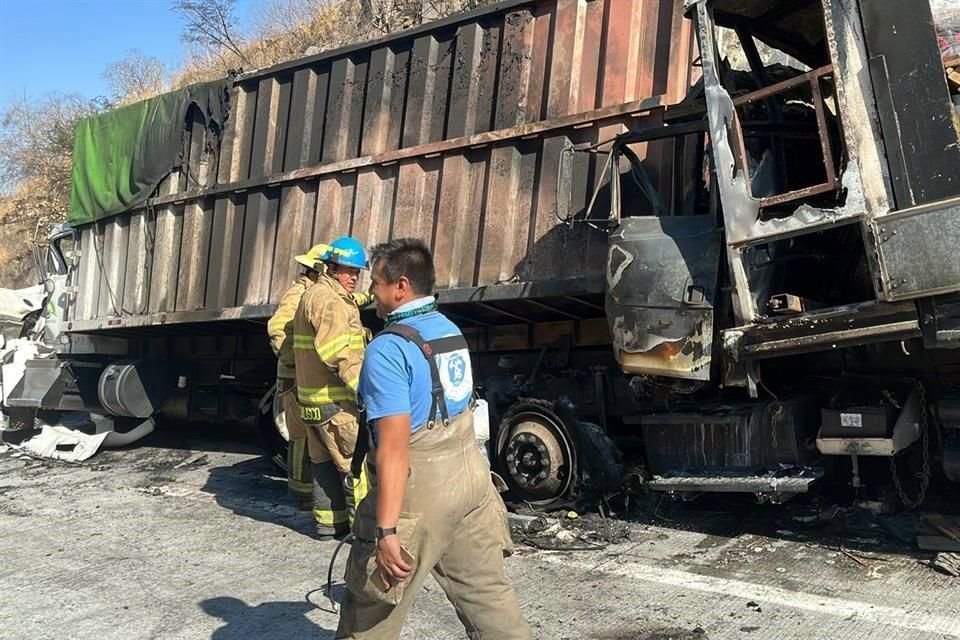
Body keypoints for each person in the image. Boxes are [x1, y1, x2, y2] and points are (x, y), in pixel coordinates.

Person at [336, 237, 532, 639]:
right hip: (471, 482)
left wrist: (386, 531)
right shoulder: (448, 330)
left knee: (371, 612)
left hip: (420, 493)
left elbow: (394, 449)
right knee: (488, 598)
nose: (371, 293)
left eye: (376, 283)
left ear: (401, 286)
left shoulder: (387, 350)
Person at [293, 236, 371, 539]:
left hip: (312, 403)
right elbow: (339, 353)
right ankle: (365, 533)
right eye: (348, 271)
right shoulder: (330, 302)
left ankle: (329, 524)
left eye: (357, 272)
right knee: (356, 467)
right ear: (332, 268)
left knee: (323, 464)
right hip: (336, 405)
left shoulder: (314, 295)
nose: (354, 277)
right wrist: (365, 390)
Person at [266, 244, 326, 508]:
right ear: (317, 271)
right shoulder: (300, 293)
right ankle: (303, 494)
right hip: (295, 379)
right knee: (301, 435)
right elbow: (277, 328)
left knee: (308, 435)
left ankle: (307, 492)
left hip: (303, 377)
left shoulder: (313, 293)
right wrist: (296, 361)